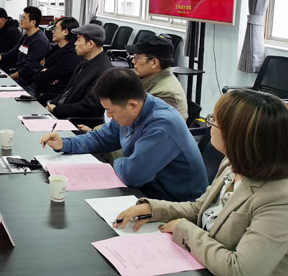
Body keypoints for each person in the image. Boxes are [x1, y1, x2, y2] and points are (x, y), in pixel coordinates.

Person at [114, 90, 288, 275]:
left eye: (214, 120)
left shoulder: (279, 199)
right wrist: (154, 209)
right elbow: (200, 209)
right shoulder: (232, 163)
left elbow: (241, 270)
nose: (209, 123)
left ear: (236, 135)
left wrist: (186, 231)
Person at [40, 68, 208, 202]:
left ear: (132, 105)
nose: (109, 116)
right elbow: (102, 138)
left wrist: (112, 163)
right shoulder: (132, 111)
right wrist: (65, 143)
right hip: (147, 191)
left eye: (111, 111)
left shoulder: (162, 126)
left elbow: (133, 175)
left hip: (174, 203)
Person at [46, 24, 112, 121]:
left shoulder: (103, 71)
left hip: (75, 121)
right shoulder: (85, 60)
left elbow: (88, 106)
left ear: (90, 44)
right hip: (62, 112)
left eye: (78, 39)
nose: (75, 43)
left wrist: (56, 109)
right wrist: (53, 103)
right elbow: (68, 90)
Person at [0, 6, 49, 83]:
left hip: (27, 81)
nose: (21, 20)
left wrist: (8, 78)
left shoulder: (39, 41)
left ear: (33, 22)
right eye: (21, 17)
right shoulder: (26, 36)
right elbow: (11, 54)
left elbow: (28, 69)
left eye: (24, 18)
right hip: (18, 75)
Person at [126, 33, 188, 120]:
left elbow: (147, 124)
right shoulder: (150, 79)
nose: (133, 61)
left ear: (154, 63)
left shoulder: (166, 94)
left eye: (137, 58)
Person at [33, 17, 83, 104]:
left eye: (55, 29)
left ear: (65, 32)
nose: (52, 32)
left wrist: (44, 72)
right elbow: (37, 65)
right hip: (41, 91)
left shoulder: (71, 54)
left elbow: (44, 76)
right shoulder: (57, 48)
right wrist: (44, 71)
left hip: (52, 99)